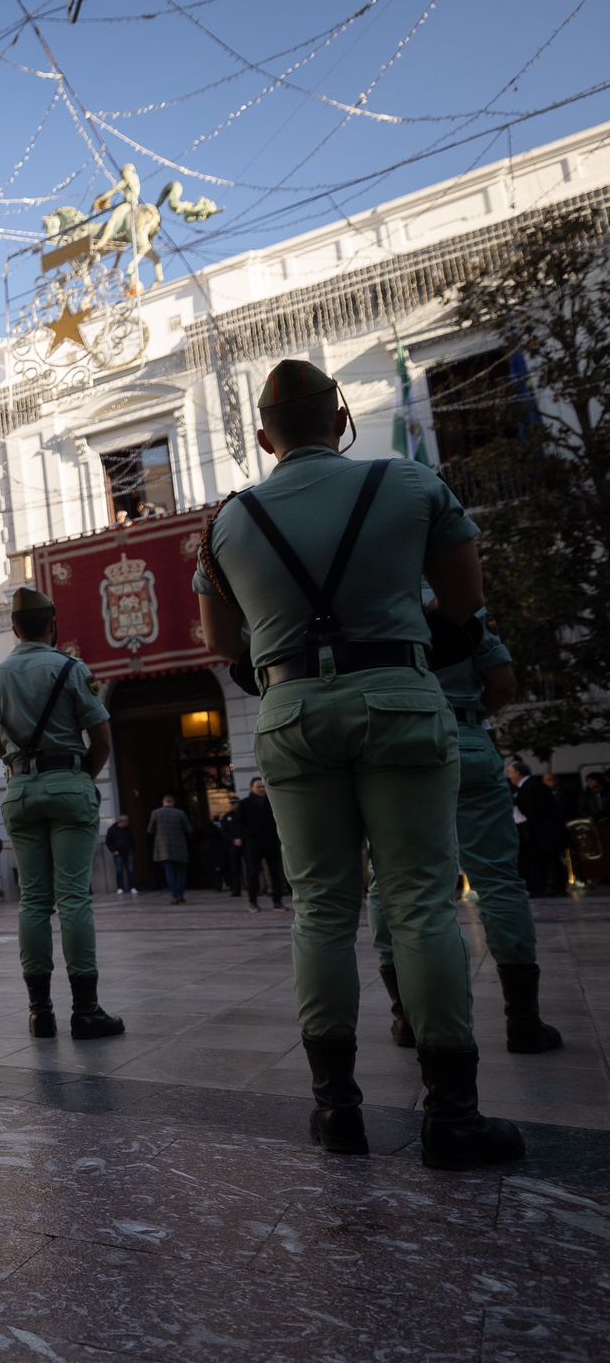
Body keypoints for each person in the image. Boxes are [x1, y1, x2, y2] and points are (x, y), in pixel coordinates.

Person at [195, 356, 521, 1170]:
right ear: (341, 420)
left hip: (294, 710)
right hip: (401, 700)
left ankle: (337, 1108)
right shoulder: (410, 485)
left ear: (265, 437)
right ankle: (453, 1111)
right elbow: (465, 601)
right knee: (421, 901)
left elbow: (222, 645)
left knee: (321, 909)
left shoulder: (229, 524)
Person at [370, 613, 562, 1057]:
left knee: (390, 880)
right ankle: (524, 1021)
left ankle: (406, 1017)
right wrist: (467, 715)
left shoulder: (370, 602)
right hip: (465, 737)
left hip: (398, 743)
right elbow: (503, 684)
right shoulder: (457, 606)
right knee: (498, 879)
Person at [0, 586, 123, 1040]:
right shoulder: (71, 669)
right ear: (53, 624)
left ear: (14, 628)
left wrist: (21, 770)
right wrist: (81, 775)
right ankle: (86, 1010)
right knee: (74, 898)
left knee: (34, 900)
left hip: (20, 789)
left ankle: (39, 1012)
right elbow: (101, 738)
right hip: (69, 782)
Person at [507, 759, 568, 896]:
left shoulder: (531, 786)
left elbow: (535, 811)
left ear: (518, 773)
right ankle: (550, 886)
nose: (509, 776)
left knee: (547, 859)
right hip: (542, 831)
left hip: (544, 832)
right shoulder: (529, 786)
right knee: (546, 860)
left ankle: (549, 887)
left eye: (511, 772)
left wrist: (527, 828)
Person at [233, 778, 287, 912]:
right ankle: (253, 901)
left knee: (276, 872)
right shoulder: (244, 803)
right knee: (253, 873)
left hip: (271, 841)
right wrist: (246, 836)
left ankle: (277, 901)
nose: (262, 789)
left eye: (263, 786)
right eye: (258, 787)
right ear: (252, 788)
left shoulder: (272, 801)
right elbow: (239, 823)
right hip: (253, 843)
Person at [146, 795, 192, 904]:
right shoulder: (180, 813)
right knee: (181, 872)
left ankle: (175, 896)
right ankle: (180, 895)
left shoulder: (156, 813)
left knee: (169, 871)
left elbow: (150, 830)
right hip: (179, 847)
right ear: (173, 803)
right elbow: (189, 829)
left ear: (163, 802)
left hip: (164, 848)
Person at [104, 815, 136, 896]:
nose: (128, 823)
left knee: (131, 870)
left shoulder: (128, 829)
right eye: (126, 822)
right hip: (118, 853)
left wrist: (131, 848)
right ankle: (120, 888)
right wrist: (113, 850)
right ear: (122, 822)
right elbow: (108, 841)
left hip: (128, 852)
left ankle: (132, 887)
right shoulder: (112, 829)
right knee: (119, 870)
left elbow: (131, 839)